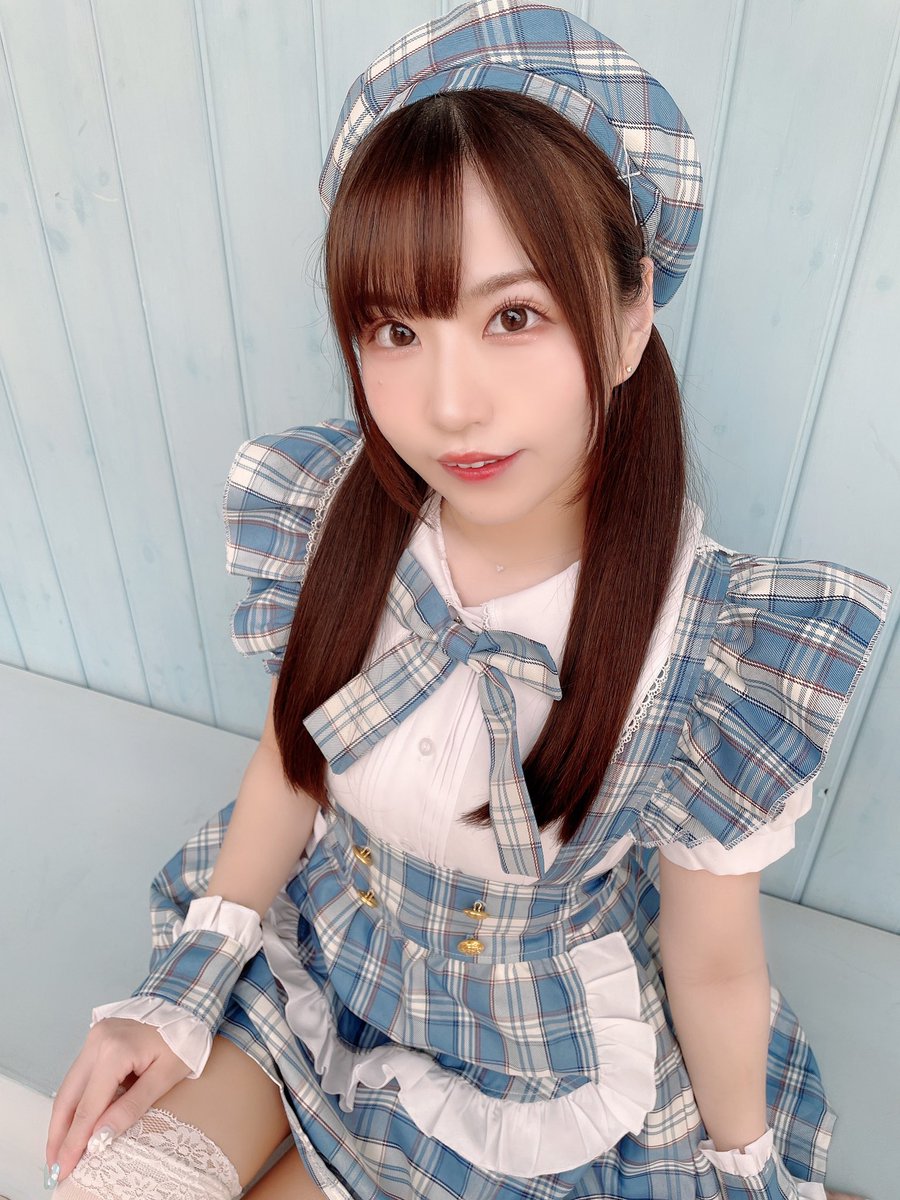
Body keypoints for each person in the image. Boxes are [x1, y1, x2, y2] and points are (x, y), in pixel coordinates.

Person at [44, 3, 891, 1198]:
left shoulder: (710, 650)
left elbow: (712, 964)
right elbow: (293, 759)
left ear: (630, 319)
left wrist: (743, 1166)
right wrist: (187, 979)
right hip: (325, 952)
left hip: (525, 1058)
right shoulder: (334, 517)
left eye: (514, 316)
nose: (450, 405)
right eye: (397, 327)